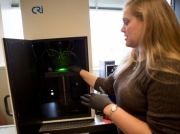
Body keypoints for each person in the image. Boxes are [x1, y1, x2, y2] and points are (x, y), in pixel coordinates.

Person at [69, 0, 180, 133]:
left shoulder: (166, 69)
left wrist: (108, 108)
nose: (122, 29)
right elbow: (107, 85)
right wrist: (79, 70)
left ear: (149, 23)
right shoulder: (132, 58)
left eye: (126, 22)